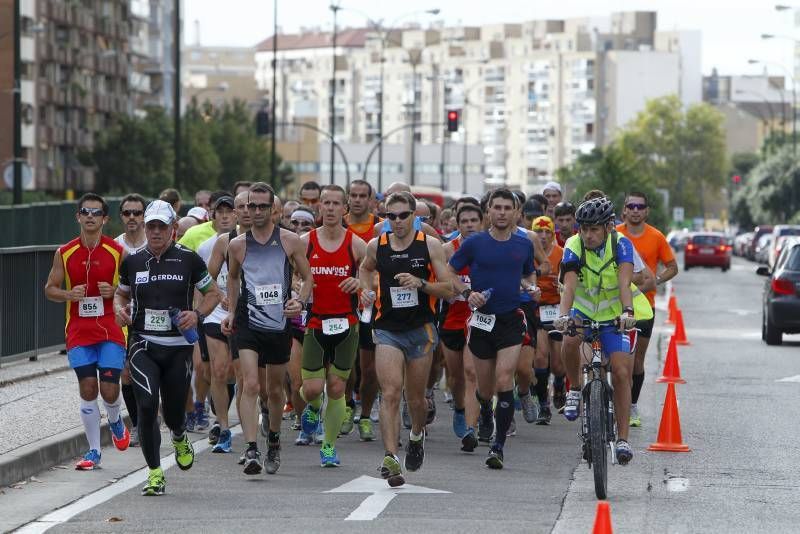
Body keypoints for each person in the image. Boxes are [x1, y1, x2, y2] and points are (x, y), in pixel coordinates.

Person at [114, 199, 221, 496]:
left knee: (174, 413)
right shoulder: (132, 261)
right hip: (143, 344)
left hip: (177, 348)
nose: (157, 232)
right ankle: (154, 473)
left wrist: (197, 315)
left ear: (174, 228)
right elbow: (120, 296)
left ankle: (178, 435)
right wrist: (119, 310)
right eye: (152, 226)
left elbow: (213, 293)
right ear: (145, 228)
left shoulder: (189, 259)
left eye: (162, 226)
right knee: (147, 407)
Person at [359, 191, 454, 487]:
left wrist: (421, 283)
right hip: (387, 328)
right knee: (389, 392)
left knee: (415, 399)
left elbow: (449, 288)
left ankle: (416, 435)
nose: (397, 221)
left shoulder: (430, 246)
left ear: (414, 216)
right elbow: (364, 268)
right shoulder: (377, 245)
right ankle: (391, 456)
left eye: (403, 215)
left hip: (419, 330)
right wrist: (365, 290)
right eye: (391, 216)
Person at [554, 197, 653, 466]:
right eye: (584, 228)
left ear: (609, 227)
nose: (588, 234)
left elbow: (624, 283)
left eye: (594, 229)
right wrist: (563, 316)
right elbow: (570, 287)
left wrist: (628, 314)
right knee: (570, 339)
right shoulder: (573, 246)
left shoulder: (622, 245)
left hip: (614, 316)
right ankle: (575, 388)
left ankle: (622, 439)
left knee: (622, 371)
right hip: (583, 311)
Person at [222, 183, 313, 476]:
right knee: (250, 384)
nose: (256, 211)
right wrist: (232, 312)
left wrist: (298, 301)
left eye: (263, 206)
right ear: (245, 208)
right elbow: (233, 279)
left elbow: (308, 278)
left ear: (273, 209)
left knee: (274, 390)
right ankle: (251, 448)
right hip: (248, 322)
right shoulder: (237, 244)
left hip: (279, 323)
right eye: (252, 206)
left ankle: (273, 440)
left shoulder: (289, 241)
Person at [448, 188, 541, 470]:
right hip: (481, 320)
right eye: (496, 207)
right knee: (485, 388)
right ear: (488, 212)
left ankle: (498, 446)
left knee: (504, 381)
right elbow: (450, 272)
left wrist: (530, 286)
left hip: (511, 318)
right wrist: (467, 293)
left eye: (506, 208)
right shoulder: (475, 243)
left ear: (516, 213)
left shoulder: (524, 244)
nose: (501, 212)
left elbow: (527, 272)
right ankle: (485, 413)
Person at [44, 193, 130, 470]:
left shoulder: (118, 252)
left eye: (96, 213)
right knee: (88, 387)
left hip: (110, 327)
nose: (90, 216)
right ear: (78, 217)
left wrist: (114, 291)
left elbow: (134, 290)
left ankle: (116, 420)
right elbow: (49, 289)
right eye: (85, 212)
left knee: (108, 389)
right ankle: (93, 450)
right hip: (79, 330)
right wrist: (69, 294)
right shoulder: (65, 252)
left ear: (105, 219)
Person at [298, 185, 367, 466]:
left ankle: (328, 446)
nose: (329, 208)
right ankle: (313, 407)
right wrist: (300, 288)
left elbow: (371, 276)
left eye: (335, 203)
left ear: (344, 208)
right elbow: (290, 275)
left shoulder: (356, 244)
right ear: (319, 207)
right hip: (316, 322)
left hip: (346, 324)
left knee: (337, 388)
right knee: (313, 389)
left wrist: (360, 282)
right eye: (325, 203)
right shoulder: (306, 241)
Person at [616, 192, 677, 427]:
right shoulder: (615, 235)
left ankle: (631, 406)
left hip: (644, 307)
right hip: (616, 305)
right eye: (631, 205)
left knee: (637, 361)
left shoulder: (656, 237)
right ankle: (613, 403)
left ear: (646, 211)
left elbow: (673, 267)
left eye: (639, 206)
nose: (635, 210)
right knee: (619, 360)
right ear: (624, 209)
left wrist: (655, 281)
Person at [195, 194, 238, 452]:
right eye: (219, 211)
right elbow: (202, 282)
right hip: (215, 313)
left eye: (229, 210)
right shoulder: (207, 246)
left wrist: (236, 300)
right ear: (212, 214)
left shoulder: (249, 243)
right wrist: (202, 309)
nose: (224, 215)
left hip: (244, 313)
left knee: (237, 374)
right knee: (217, 371)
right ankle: (222, 427)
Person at [440, 204, 483, 452]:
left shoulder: (489, 248)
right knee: (455, 376)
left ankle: (470, 428)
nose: (469, 225)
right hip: (452, 318)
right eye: (464, 221)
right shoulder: (447, 250)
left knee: (471, 373)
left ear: (481, 222)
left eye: (473, 220)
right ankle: (459, 408)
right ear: (457, 223)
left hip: (478, 320)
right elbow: (441, 279)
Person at [344, 179, 382, 441]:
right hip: (343, 301)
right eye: (353, 195)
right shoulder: (337, 224)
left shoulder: (380, 227)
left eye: (362, 196)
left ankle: (366, 415)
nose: (357, 199)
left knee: (370, 370)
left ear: (370, 200)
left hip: (373, 304)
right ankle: (347, 406)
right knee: (346, 365)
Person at [114, 193, 148, 447]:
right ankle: (137, 425)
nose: (132, 217)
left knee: (151, 373)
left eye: (137, 213)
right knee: (126, 373)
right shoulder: (115, 247)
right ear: (121, 217)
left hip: (154, 318)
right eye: (127, 213)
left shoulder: (155, 242)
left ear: (144, 216)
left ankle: (152, 417)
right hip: (126, 318)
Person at [530, 216, 565, 423]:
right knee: (541, 357)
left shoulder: (560, 254)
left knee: (559, 364)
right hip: (537, 310)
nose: (543, 237)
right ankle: (544, 404)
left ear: (553, 234)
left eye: (547, 233)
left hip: (557, 309)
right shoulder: (530, 252)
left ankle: (559, 382)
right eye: (539, 232)